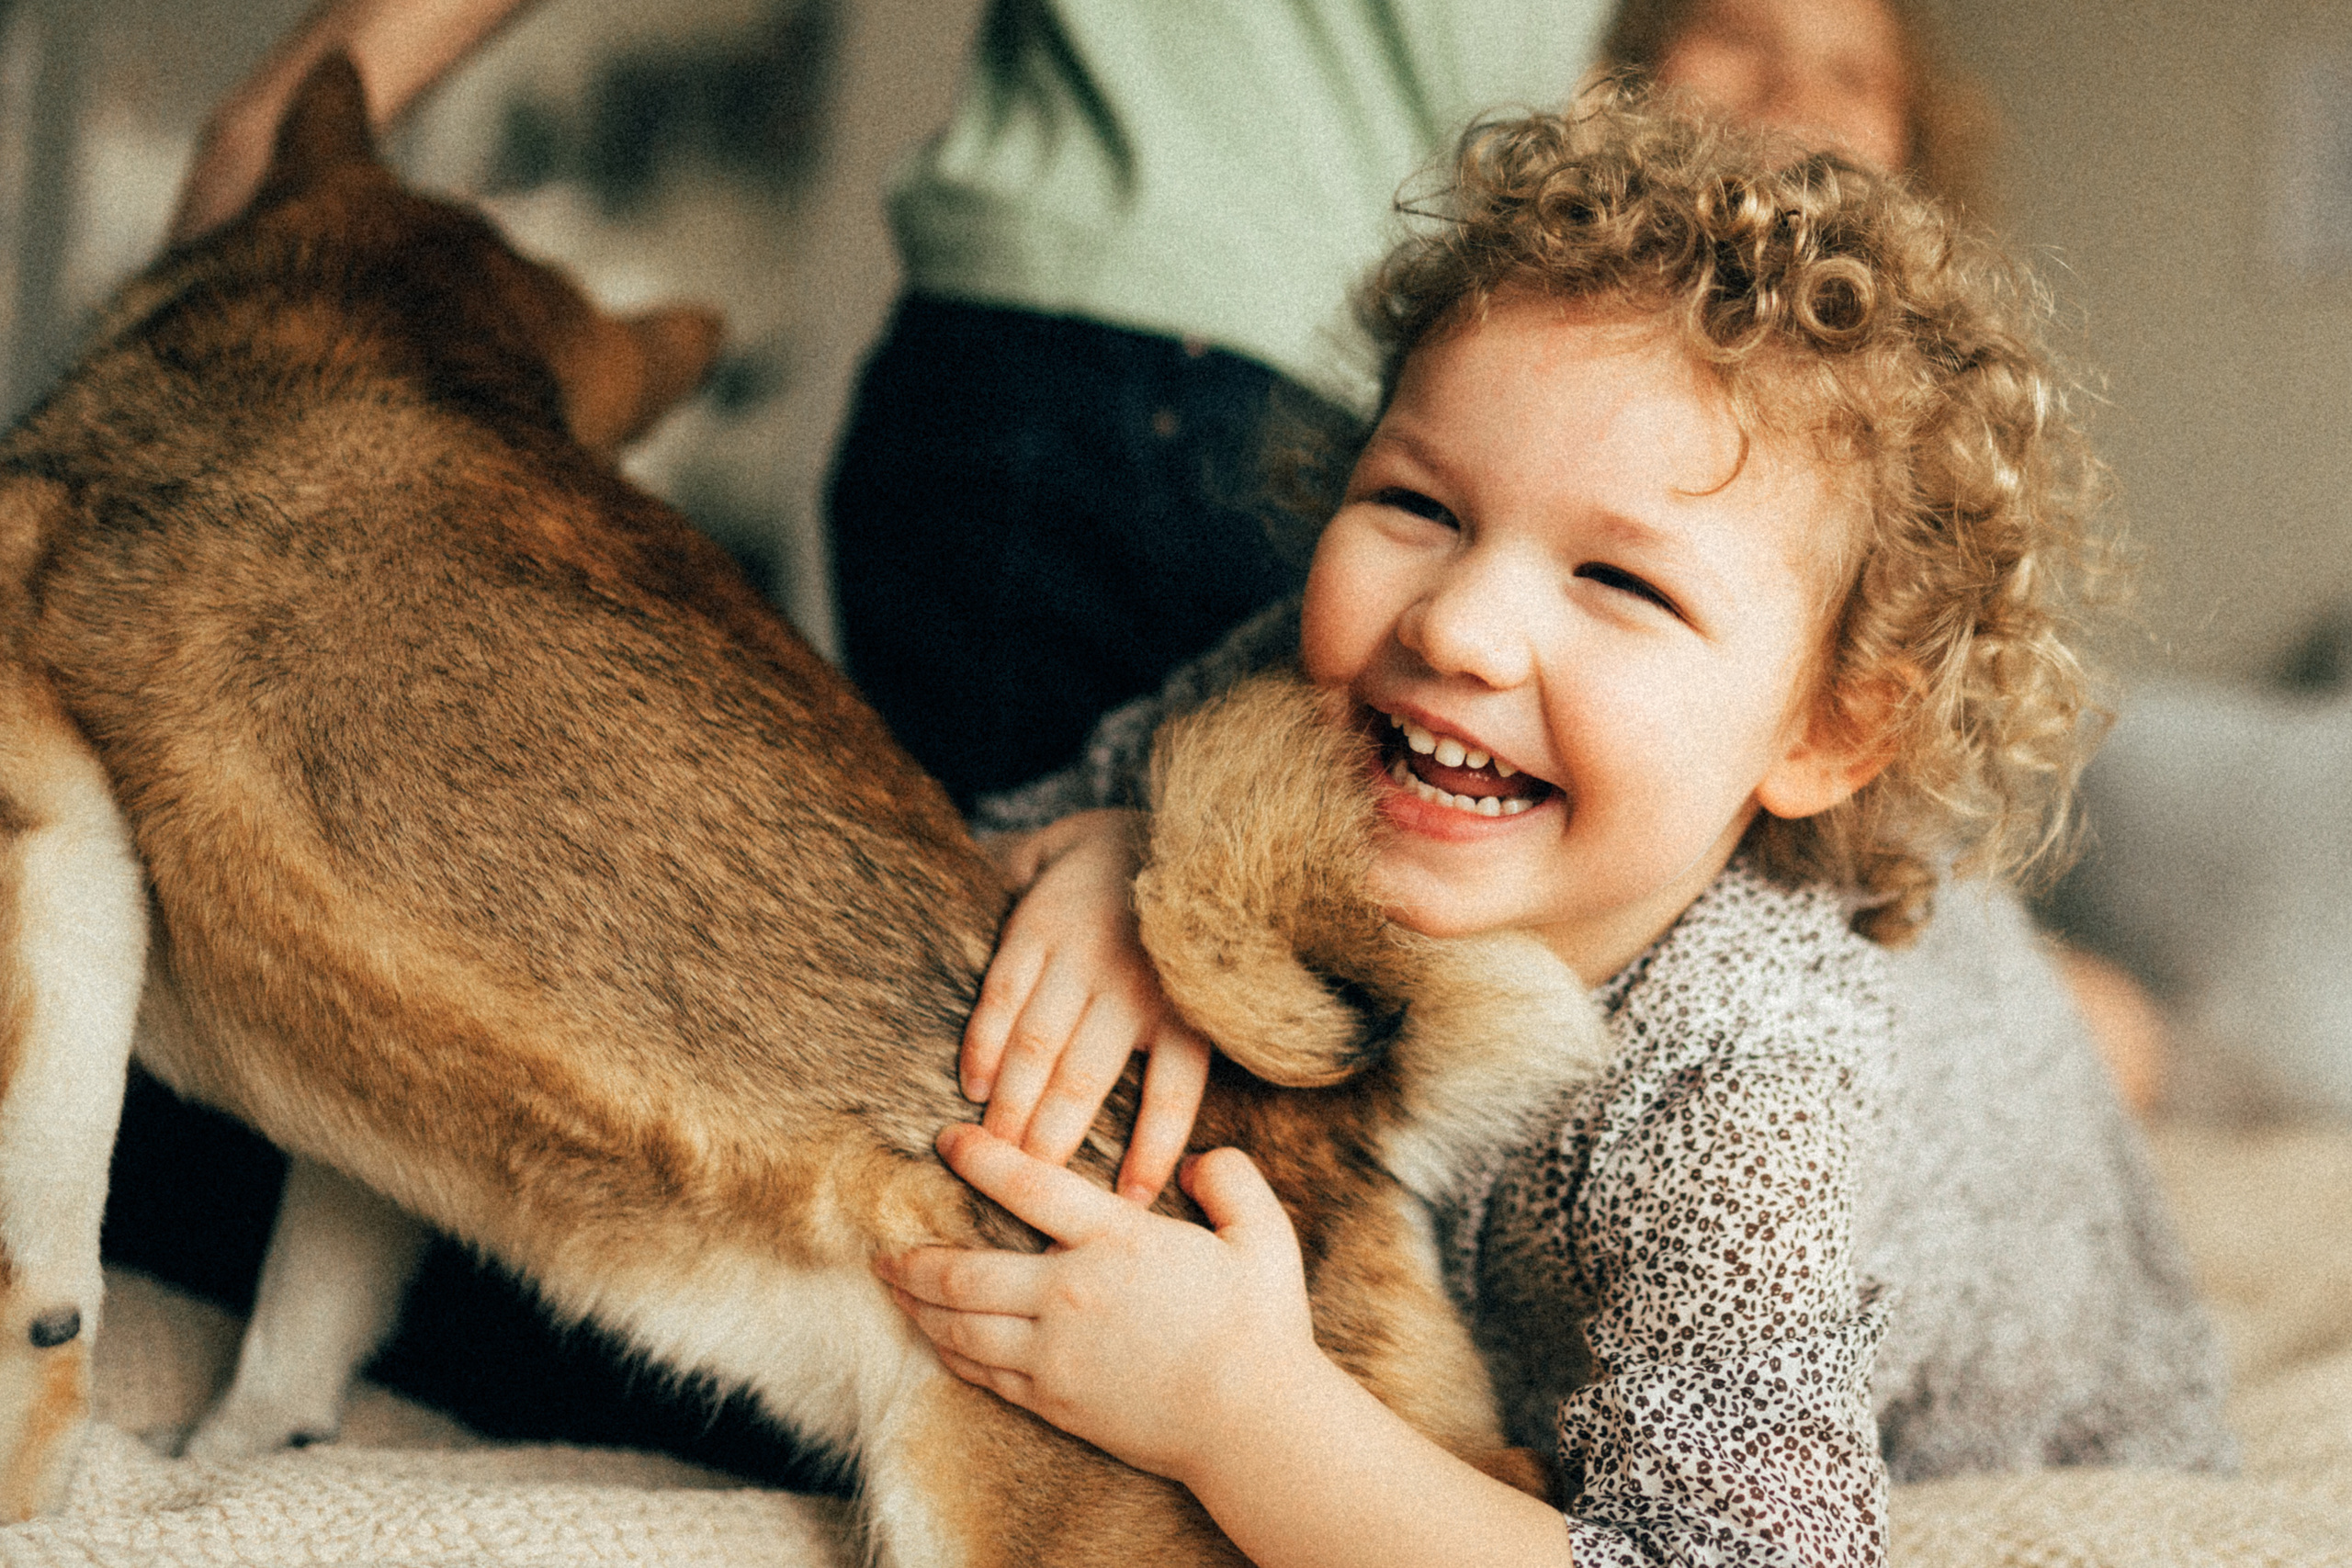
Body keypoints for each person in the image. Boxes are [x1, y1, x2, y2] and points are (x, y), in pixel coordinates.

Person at [877, 94, 2233, 1565]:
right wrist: (1100, 851)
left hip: (2025, 1364)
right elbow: (974, 845)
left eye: (1622, 584)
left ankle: (2125, 1033)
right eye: (1417, 504)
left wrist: (1238, 1407)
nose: (1457, 625)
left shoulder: (1753, 1083)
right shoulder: (1300, 689)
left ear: (1826, 732)